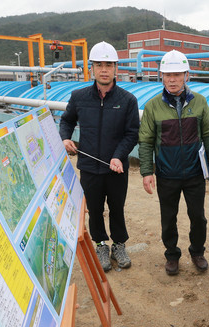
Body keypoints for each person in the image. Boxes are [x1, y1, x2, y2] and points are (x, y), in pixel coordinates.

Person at [60, 41, 139, 272]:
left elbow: (132, 133)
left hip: (116, 168)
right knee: (94, 208)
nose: (104, 69)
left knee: (117, 207)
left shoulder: (127, 100)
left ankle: (119, 244)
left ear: (116, 68)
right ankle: (101, 244)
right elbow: (66, 120)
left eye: (108, 64)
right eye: (99, 64)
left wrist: (118, 156)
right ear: (91, 68)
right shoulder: (79, 97)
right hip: (89, 167)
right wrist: (65, 138)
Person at [138, 50, 209, 275]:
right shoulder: (153, 106)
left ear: (186, 75)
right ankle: (172, 254)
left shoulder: (199, 102)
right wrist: (146, 171)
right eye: (167, 74)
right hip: (166, 174)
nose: (172, 79)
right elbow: (145, 140)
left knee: (198, 217)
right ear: (161, 76)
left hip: (194, 173)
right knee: (168, 217)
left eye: (177, 74)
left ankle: (197, 251)